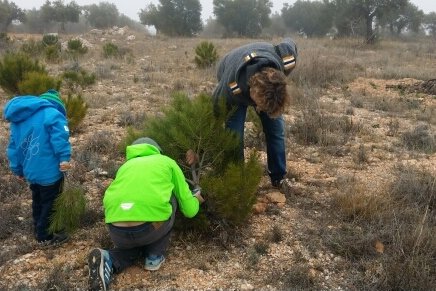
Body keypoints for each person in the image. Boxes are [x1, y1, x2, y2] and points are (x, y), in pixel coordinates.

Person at [88, 137, 205, 291]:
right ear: (157, 150)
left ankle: (109, 258)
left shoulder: (125, 167)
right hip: (150, 229)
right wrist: (196, 199)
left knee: (133, 248)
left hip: (117, 231)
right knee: (172, 199)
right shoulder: (166, 162)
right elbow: (189, 211)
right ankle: (154, 257)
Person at [212, 38, 298, 193]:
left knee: (276, 130)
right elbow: (214, 112)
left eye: (262, 107)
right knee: (234, 136)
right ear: (252, 90)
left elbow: (290, 43)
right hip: (229, 65)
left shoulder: (286, 61)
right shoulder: (231, 86)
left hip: (263, 54)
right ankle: (236, 179)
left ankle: (279, 177)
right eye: (258, 104)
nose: (258, 109)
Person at [3, 89, 72, 246]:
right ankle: (45, 236)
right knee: (50, 202)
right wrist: (64, 158)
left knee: (38, 200)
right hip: (49, 172)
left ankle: (38, 227)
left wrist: (17, 169)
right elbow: (60, 138)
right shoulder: (52, 113)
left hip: (31, 171)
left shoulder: (20, 119)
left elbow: (13, 147)